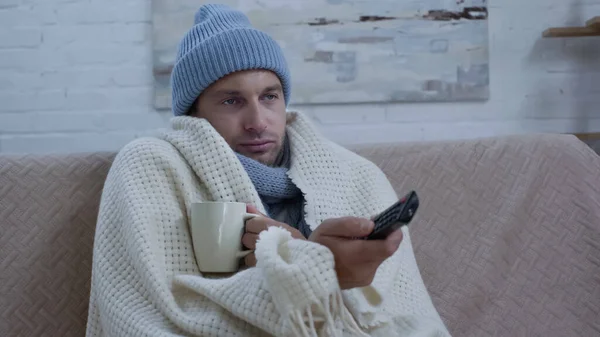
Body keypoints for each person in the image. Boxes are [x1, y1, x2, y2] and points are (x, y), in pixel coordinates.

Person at [86, 4, 451, 337]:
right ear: (195, 112)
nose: (258, 122)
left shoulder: (358, 175)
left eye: (269, 96)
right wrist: (305, 271)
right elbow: (144, 319)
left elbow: (404, 316)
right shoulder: (153, 166)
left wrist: (307, 260)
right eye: (232, 101)